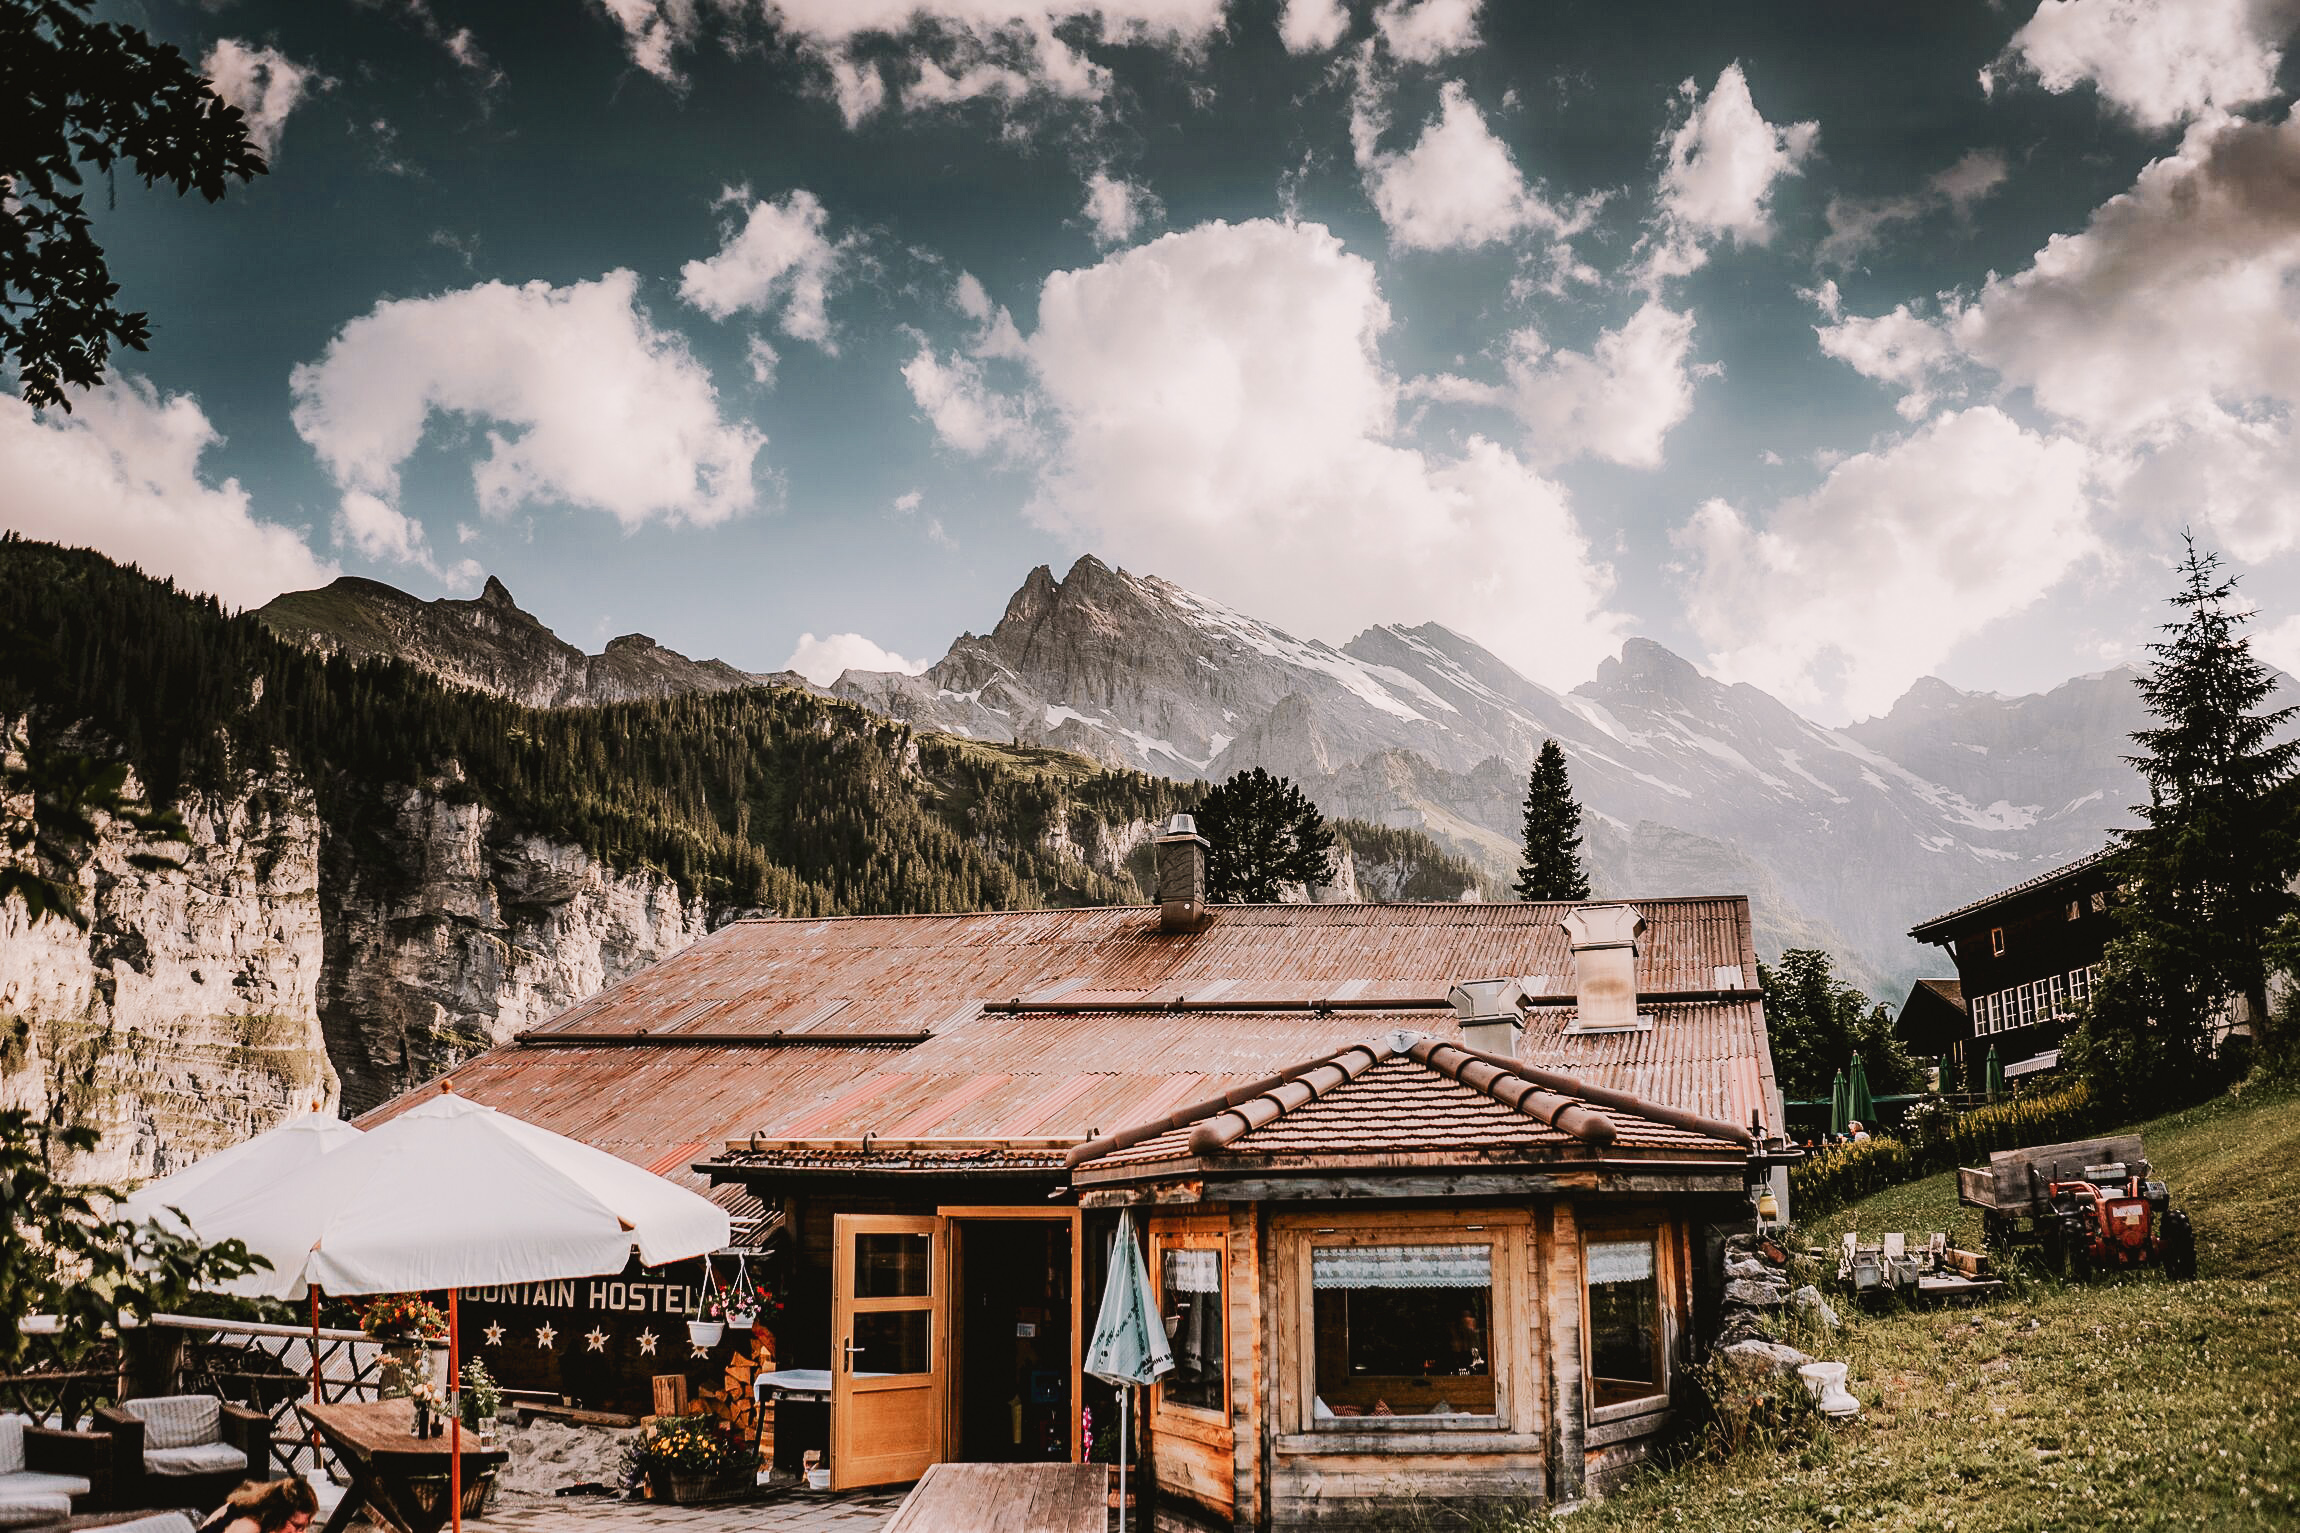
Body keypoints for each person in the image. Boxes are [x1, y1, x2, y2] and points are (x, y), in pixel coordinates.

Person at [197, 1477, 319, 1533]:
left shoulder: (257, 1511)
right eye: (298, 1527)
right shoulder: (248, 1527)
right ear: (279, 1516)